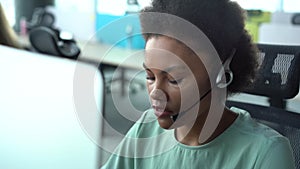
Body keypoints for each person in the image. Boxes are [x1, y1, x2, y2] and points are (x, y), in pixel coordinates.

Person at [101, 0, 295, 168]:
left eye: (173, 80)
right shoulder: (146, 126)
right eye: (150, 77)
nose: (156, 94)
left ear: (221, 72)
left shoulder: (266, 153)